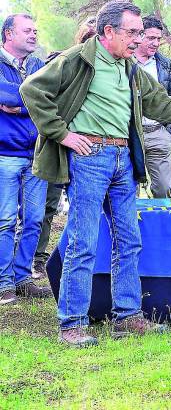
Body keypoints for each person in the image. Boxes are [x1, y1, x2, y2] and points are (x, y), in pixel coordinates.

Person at [20, 0, 171, 347]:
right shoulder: (77, 59)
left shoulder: (130, 68)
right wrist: (62, 134)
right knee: (83, 242)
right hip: (89, 157)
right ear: (108, 32)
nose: (138, 39)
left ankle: (128, 317)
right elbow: (32, 90)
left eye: (139, 33)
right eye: (132, 32)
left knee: (129, 241)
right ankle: (71, 324)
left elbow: (163, 104)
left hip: (123, 160)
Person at [32, 16, 98, 280]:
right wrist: (60, 132)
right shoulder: (61, 62)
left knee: (85, 212)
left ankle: (76, 262)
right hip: (59, 146)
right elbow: (35, 95)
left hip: (91, 151)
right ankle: (38, 259)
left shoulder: (112, 69)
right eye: (87, 38)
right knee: (47, 206)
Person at [0, 13, 52, 305]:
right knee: (5, 220)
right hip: (4, 154)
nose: (34, 34)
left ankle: (22, 278)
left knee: (33, 220)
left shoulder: (37, 64)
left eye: (36, 30)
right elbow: (5, 95)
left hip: (37, 154)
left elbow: (50, 97)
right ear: (9, 34)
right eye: (27, 30)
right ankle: (3, 282)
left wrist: (19, 107)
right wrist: (29, 102)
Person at [134, 15, 171, 198]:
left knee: (164, 189)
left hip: (158, 132)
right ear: (140, 36)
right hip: (130, 134)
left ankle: (164, 226)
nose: (156, 43)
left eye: (159, 39)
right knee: (128, 190)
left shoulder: (166, 65)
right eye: (151, 38)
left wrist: (169, 130)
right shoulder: (126, 61)